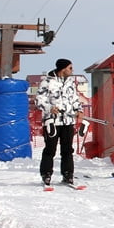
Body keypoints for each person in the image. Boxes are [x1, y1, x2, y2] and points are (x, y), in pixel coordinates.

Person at [35, 58, 82, 186]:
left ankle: (68, 174)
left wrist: (78, 109)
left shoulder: (70, 82)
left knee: (67, 149)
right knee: (50, 148)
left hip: (67, 121)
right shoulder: (47, 82)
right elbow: (39, 100)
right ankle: (46, 174)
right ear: (63, 69)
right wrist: (50, 108)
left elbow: (75, 98)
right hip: (52, 121)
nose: (72, 71)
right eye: (70, 68)